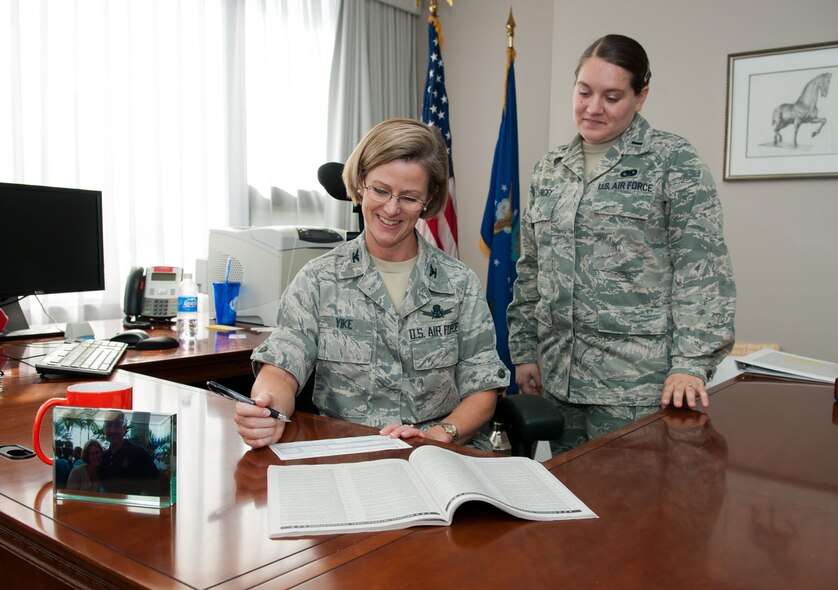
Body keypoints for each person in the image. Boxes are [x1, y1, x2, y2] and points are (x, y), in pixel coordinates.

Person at [507, 34, 736, 454]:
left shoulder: (672, 161)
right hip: (560, 378)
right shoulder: (550, 169)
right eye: (584, 92)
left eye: (612, 96)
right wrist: (524, 351)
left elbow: (702, 271)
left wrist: (690, 365)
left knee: (628, 510)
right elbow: (531, 268)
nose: (593, 108)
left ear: (640, 96)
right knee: (570, 503)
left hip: (636, 386)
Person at [236, 118, 509, 449]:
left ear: (428, 199)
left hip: (436, 457)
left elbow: (483, 389)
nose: (391, 209)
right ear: (361, 182)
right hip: (347, 454)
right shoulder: (319, 279)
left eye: (409, 197)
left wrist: (440, 435)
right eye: (380, 190)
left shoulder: (459, 283)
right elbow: (281, 367)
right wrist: (266, 407)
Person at [98, 411, 159, 495]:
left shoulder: (139, 454)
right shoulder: (103, 457)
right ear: (104, 429)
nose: (113, 430)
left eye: (117, 425)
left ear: (124, 428)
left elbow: (155, 487)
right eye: (109, 425)